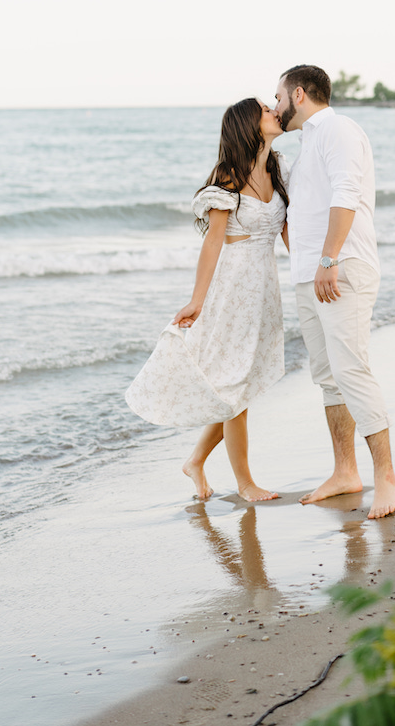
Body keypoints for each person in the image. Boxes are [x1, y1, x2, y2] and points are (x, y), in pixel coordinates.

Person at [125, 98, 288, 502]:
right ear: (249, 125)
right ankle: (245, 483)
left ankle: (195, 461)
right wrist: (197, 301)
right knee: (234, 387)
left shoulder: (277, 167)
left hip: (265, 291)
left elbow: (289, 232)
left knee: (239, 387)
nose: (274, 111)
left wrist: (315, 273)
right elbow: (213, 242)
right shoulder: (228, 176)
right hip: (231, 292)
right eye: (265, 110)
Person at [274, 65, 395, 519]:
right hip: (311, 275)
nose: (276, 106)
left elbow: (346, 193)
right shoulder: (307, 144)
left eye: (279, 97)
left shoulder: (338, 129)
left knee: (351, 369)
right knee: (328, 377)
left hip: (340, 268)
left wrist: (329, 259)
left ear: (299, 95)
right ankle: (346, 471)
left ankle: (386, 476)